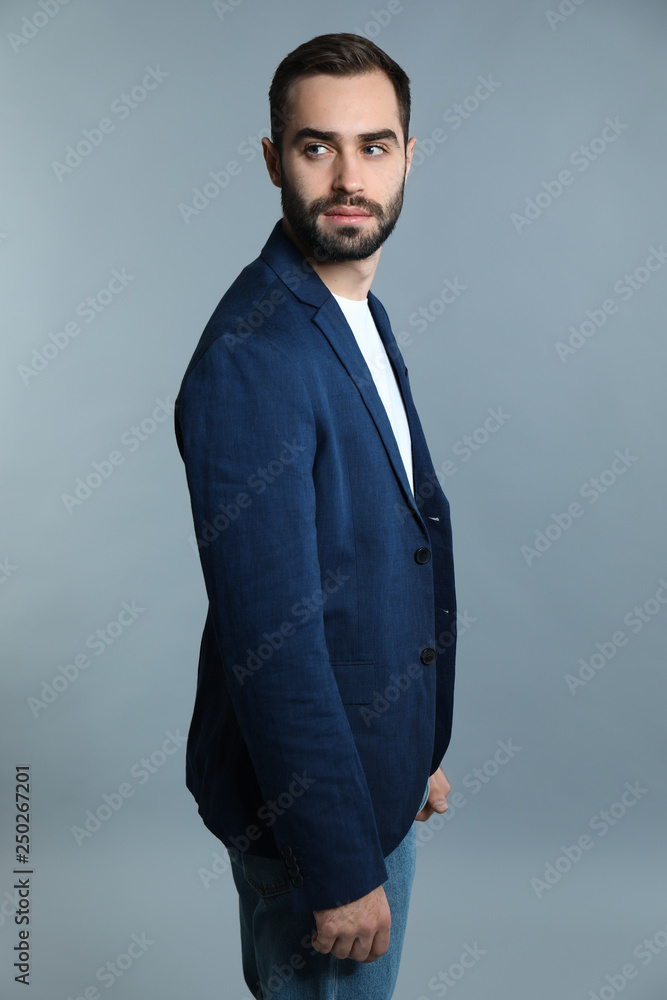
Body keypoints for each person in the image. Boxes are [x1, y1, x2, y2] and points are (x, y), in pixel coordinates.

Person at [174, 32, 457, 1000]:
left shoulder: (351, 309)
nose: (347, 177)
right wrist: (337, 864)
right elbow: (274, 641)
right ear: (270, 158)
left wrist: (413, 747)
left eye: (374, 146)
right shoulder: (255, 355)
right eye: (314, 146)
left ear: (409, 156)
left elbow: (385, 552)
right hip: (310, 821)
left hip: (370, 770)